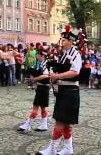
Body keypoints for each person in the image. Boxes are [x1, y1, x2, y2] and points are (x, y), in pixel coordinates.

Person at [36, 25, 82, 155]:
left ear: (71, 41)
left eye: (65, 40)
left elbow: (75, 71)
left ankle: (52, 149)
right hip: (63, 89)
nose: (62, 41)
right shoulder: (64, 54)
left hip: (70, 90)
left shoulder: (75, 54)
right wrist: (54, 74)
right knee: (66, 123)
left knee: (60, 121)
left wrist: (58, 76)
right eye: (62, 39)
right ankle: (68, 149)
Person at [17, 48, 50, 132]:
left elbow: (46, 76)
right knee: (43, 107)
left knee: (35, 106)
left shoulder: (46, 64)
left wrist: (34, 79)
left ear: (42, 56)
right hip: (41, 86)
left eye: (38, 55)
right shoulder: (41, 63)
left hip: (43, 87)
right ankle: (44, 124)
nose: (36, 56)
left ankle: (27, 125)